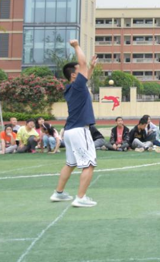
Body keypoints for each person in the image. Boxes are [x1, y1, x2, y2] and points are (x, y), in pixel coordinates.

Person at [50, 39, 99, 208]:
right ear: (73, 75)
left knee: (70, 164)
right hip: (80, 130)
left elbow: (85, 71)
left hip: (69, 131)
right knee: (89, 164)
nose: (82, 70)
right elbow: (82, 63)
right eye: (79, 70)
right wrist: (76, 46)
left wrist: (91, 68)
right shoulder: (77, 85)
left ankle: (59, 193)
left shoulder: (71, 88)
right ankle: (80, 197)